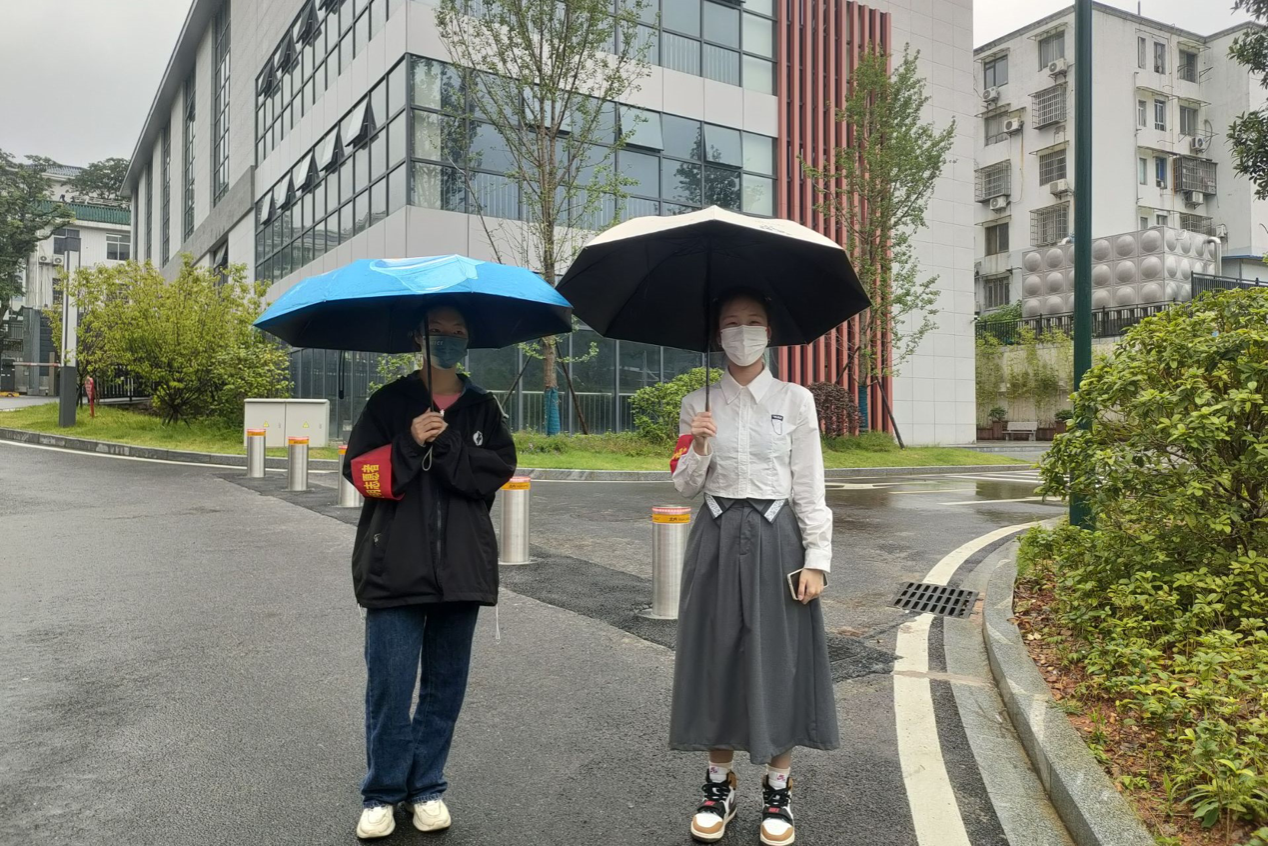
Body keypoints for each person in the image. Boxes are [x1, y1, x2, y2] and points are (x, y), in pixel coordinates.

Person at [669, 291, 839, 846]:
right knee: (715, 655)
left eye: (754, 322)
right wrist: (698, 445)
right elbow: (685, 487)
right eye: (731, 323)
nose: (742, 331)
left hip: (776, 537)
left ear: (770, 332)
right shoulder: (697, 402)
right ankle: (719, 785)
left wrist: (816, 558)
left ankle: (778, 787)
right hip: (716, 535)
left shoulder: (795, 400)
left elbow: (809, 483)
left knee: (779, 657)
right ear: (717, 334)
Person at [342, 304, 516, 840]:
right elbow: (360, 474)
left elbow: (493, 473)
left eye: (457, 332)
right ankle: (382, 792)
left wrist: (448, 443)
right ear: (416, 337)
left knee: (444, 689)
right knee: (390, 688)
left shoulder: (483, 407)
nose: (447, 339)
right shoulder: (388, 402)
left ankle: (427, 787)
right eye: (436, 331)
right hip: (393, 567)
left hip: (462, 569)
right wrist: (409, 441)